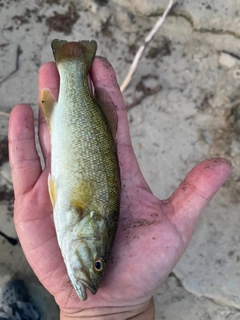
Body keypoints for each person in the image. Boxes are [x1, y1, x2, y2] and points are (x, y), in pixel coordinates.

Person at [7, 57, 231, 319]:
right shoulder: (81, 218)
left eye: (97, 264)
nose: (94, 269)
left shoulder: (80, 221)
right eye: (97, 264)